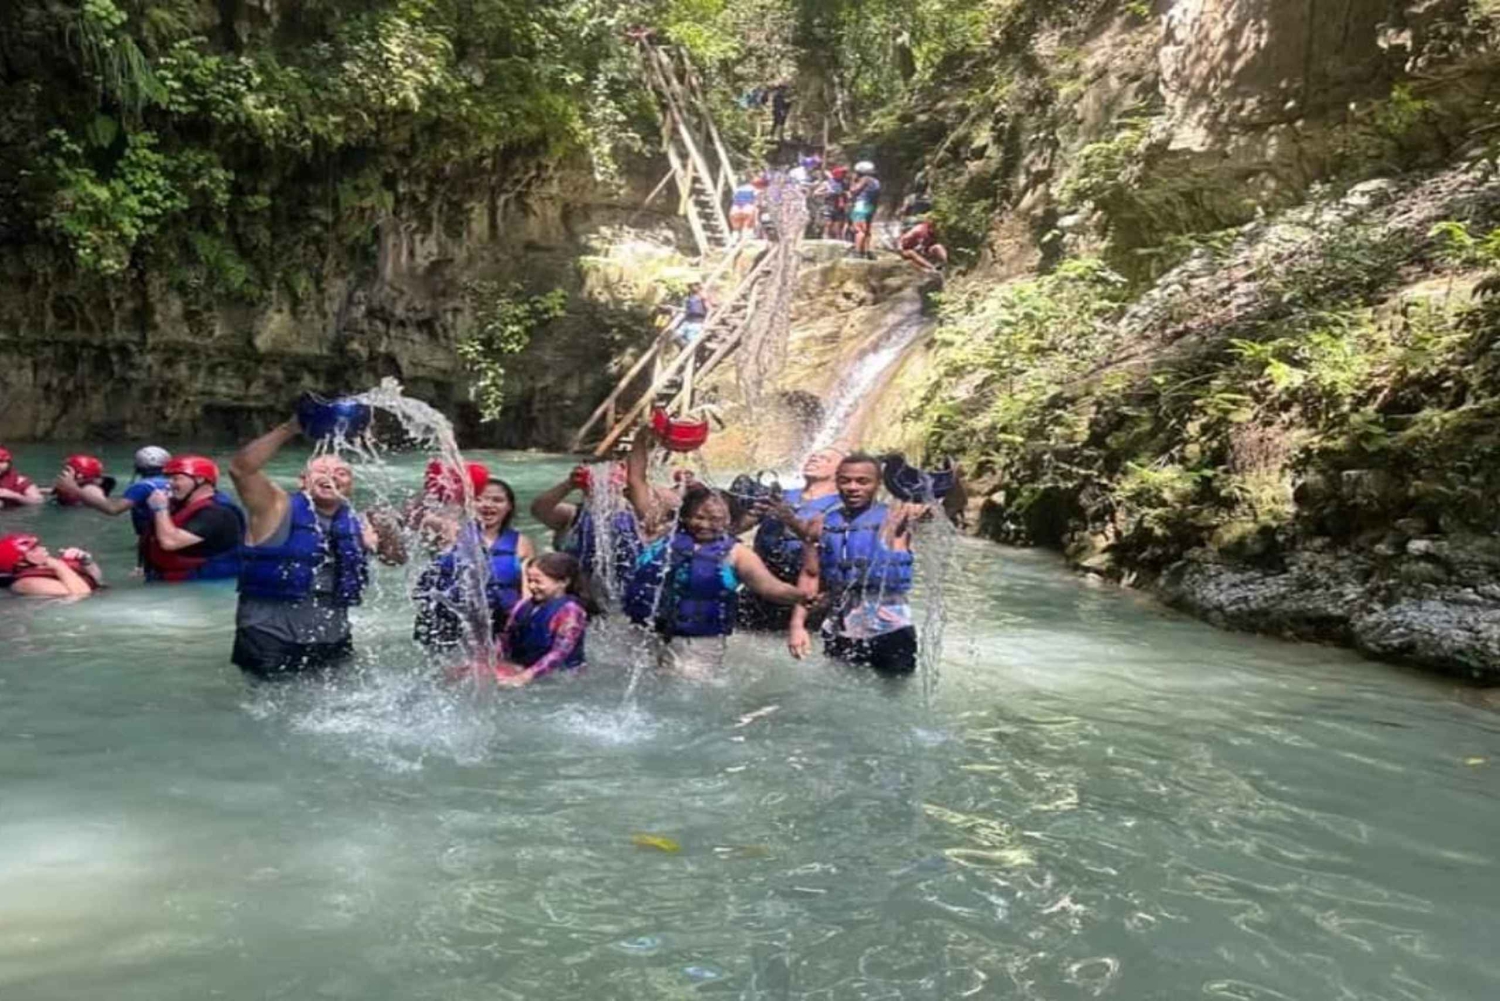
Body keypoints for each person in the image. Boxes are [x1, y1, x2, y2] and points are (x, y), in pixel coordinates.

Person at [622, 430, 806, 678]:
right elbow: (636, 480)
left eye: (716, 519)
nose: (705, 525)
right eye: (698, 517)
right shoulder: (660, 531)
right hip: (644, 632)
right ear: (684, 516)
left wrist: (801, 596)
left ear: (730, 521)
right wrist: (643, 436)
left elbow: (769, 587)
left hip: (698, 643)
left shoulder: (738, 554)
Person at [229, 418, 376, 680]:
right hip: (270, 638)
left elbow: (396, 559)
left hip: (333, 640)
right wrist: (290, 428)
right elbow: (241, 470)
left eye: (341, 473)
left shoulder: (359, 522)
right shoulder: (275, 508)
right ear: (302, 481)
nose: (332, 476)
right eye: (322, 471)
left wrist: (385, 535)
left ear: (351, 485)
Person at [789, 453, 923, 675]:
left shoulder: (897, 518)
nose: (853, 487)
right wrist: (797, 625)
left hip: (891, 629)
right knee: (838, 689)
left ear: (878, 484)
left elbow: (939, 509)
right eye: (845, 481)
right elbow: (810, 576)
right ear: (836, 482)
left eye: (862, 481)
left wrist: (923, 503)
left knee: (894, 692)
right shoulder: (820, 524)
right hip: (839, 627)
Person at [414, 476, 535, 651]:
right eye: (479, 499)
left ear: (509, 506)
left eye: (497, 500)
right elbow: (418, 516)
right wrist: (433, 487)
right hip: (450, 622)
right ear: (468, 503)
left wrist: (525, 620)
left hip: (500, 622)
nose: (488, 505)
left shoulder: (521, 542)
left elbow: (528, 590)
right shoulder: (450, 531)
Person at [738, 447, 845, 631]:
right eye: (813, 457)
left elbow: (826, 542)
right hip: (763, 581)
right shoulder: (782, 495)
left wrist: (789, 519)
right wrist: (752, 514)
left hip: (807, 588)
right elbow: (739, 528)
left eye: (824, 459)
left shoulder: (841, 505)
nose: (814, 460)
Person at [492, 552, 595, 688]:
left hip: (563, 678)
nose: (531, 586)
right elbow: (506, 638)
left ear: (563, 582)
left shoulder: (570, 611)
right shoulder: (522, 605)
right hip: (525, 668)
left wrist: (525, 677)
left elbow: (560, 653)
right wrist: (494, 661)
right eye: (529, 580)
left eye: (538, 582)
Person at [142, 455, 246, 582]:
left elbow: (170, 542)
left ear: (199, 479)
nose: (169, 483)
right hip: (176, 577)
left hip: (207, 582)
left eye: (176, 478)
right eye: (169, 478)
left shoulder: (217, 513)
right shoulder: (180, 506)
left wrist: (160, 509)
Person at [69, 446, 171, 565]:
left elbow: (113, 509)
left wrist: (75, 490)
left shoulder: (142, 487)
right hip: (167, 535)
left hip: (152, 541)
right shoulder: (172, 483)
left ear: (138, 467)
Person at [0, 533, 101, 598]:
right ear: (21, 562)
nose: (43, 548)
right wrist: (59, 566)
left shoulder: (48, 566)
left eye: (38, 546)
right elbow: (82, 594)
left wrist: (86, 561)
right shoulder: (26, 583)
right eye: (34, 549)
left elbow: (96, 580)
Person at [51, 454, 115, 507]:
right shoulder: (72, 486)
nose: (63, 472)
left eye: (68, 470)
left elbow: (107, 505)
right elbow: (53, 492)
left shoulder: (91, 489)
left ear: (80, 476)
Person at [848, 161, 881, 259]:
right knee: (867, 229)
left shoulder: (865, 179)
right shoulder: (876, 181)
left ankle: (857, 252)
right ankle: (867, 251)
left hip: (861, 205)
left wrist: (853, 181)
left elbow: (853, 190)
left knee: (859, 229)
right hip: (871, 206)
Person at [816, 166, 850, 241]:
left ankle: (838, 239)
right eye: (842, 173)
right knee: (828, 223)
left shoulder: (844, 183)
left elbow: (848, 193)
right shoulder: (827, 183)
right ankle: (825, 238)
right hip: (829, 205)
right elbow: (816, 193)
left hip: (840, 206)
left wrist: (846, 195)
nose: (844, 175)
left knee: (839, 225)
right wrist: (828, 193)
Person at [674, 282, 711, 347]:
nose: (691, 287)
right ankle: (685, 347)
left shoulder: (702, 297)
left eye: (692, 285)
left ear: (697, 287)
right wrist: (673, 308)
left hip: (697, 323)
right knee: (675, 336)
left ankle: (688, 349)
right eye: (690, 286)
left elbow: (709, 310)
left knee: (690, 341)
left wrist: (705, 322)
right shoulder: (690, 298)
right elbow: (687, 310)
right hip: (687, 321)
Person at [729, 176, 760, 240]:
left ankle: (734, 239)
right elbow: (756, 202)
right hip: (747, 209)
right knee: (747, 226)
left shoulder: (738, 189)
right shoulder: (755, 189)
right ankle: (747, 236)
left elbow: (734, 198)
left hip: (735, 209)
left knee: (735, 229)